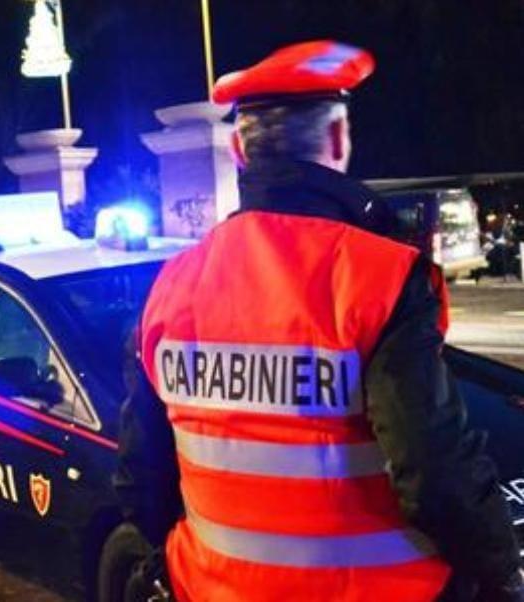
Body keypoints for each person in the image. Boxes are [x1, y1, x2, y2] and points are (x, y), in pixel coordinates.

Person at [115, 41, 522, 601]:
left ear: (238, 149)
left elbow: (141, 476)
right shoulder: (380, 276)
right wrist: (500, 570)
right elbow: (436, 476)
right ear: (337, 139)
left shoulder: (170, 286)